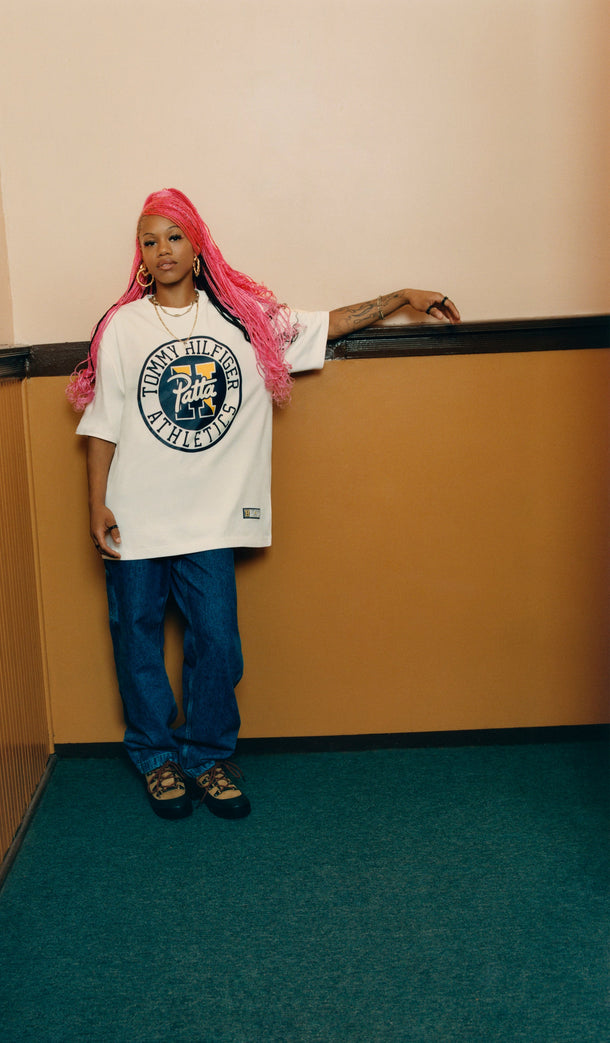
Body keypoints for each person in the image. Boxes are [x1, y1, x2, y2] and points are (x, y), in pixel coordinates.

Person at [69, 188, 460, 821]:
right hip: (134, 515)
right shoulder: (123, 326)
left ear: (198, 246)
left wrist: (402, 297)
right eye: (149, 240)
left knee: (217, 643)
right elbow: (103, 422)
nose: (163, 250)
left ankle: (205, 758)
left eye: (174, 236)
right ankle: (156, 757)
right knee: (136, 641)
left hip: (209, 520)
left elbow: (330, 323)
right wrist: (97, 505)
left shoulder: (244, 321)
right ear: (139, 256)